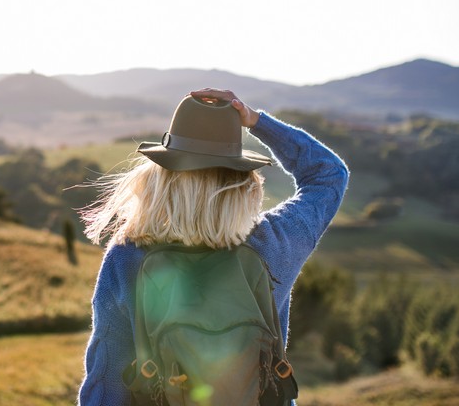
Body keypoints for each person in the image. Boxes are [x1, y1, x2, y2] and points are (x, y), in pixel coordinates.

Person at [78, 88, 349, 405]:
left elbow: (107, 378)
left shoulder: (128, 255)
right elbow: (329, 174)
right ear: (243, 181)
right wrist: (255, 121)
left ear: (161, 177)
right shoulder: (274, 243)